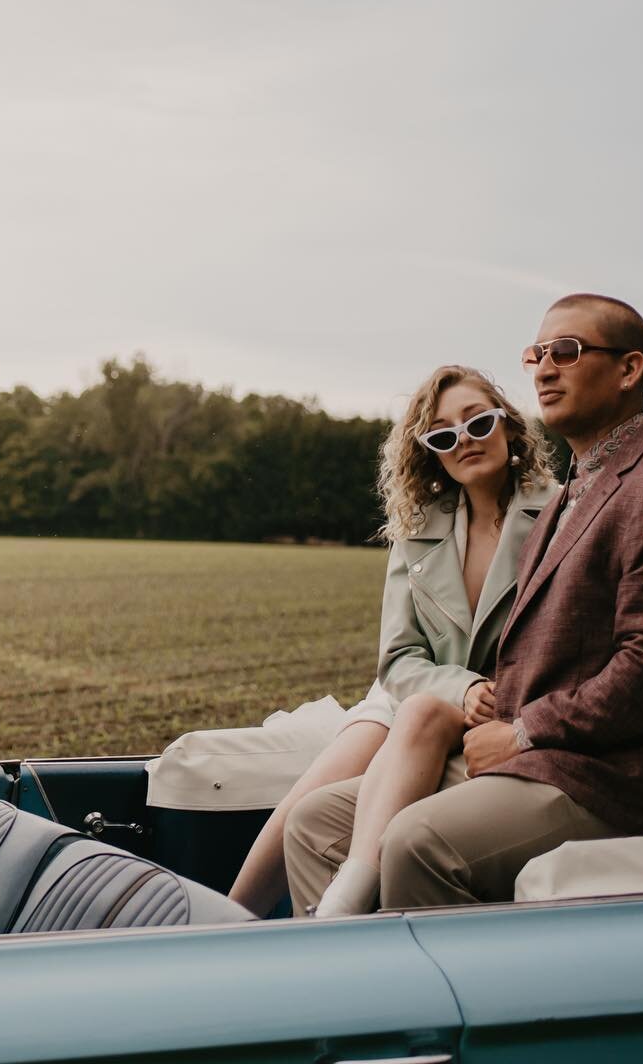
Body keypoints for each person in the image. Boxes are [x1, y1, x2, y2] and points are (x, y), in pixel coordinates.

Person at [369, 294, 643, 910]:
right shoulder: (573, 489)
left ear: (629, 370)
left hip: (628, 777)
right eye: (536, 354)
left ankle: (452, 1003)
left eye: (566, 352)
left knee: (417, 841)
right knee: (320, 823)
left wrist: (520, 733)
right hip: (550, 756)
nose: (543, 369)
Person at [229, 364, 556, 916]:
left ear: (509, 425)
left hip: (507, 698)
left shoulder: (560, 513)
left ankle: (345, 905)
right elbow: (398, 659)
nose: (465, 442)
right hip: (414, 688)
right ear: (431, 451)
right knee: (305, 802)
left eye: (478, 423)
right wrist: (461, 687)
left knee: (353, 798)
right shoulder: (419, 529)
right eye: (444, 435)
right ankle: (229, 921)